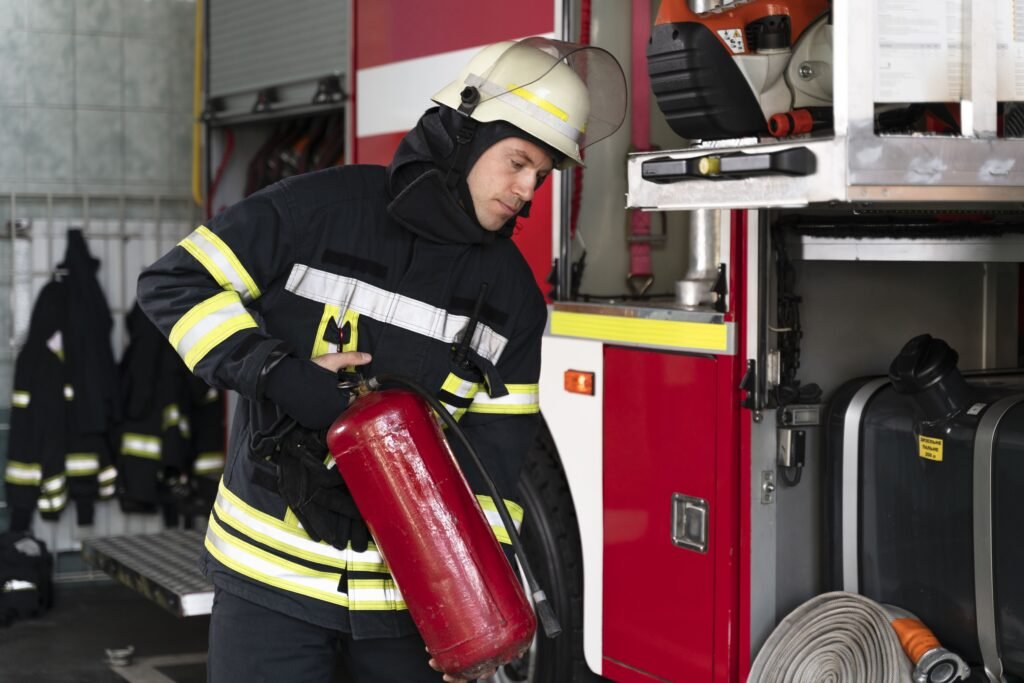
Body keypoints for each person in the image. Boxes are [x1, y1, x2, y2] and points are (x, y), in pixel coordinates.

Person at [137, 37, 625, 683]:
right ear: (466, 136)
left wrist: (470, 607)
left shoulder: (511, 296)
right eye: (518, 161)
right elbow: (175, 282)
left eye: (542, 174)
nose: (527, 189)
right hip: (269, 589)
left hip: (404, 614)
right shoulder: (320, 209)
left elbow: (496, 457)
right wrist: (278, 373)